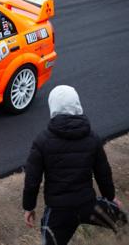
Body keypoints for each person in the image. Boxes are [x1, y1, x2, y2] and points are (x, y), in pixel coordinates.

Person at [22, 85, 128, 245]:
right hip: (89, 206)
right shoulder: (92, 137)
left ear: (53, 107)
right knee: (124, 224)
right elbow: (103, 173)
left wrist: (29, 207)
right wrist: (110, 197)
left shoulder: (42, 141)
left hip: (58, 212)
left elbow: (32, 180)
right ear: (77, 105)